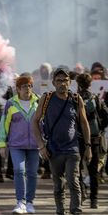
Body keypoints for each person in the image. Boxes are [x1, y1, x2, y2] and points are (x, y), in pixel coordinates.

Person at [32, 68, 92, 215]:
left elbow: (84, 123)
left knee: (73, 182)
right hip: (53, 150)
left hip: (73, 149)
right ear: (53, 82)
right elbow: (35, 122)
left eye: (65, 80)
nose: (62, 84)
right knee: (58, 185)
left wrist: (88, 146)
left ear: (70, 82)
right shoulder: (46, 99)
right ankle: (60, 211)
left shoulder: (76, 99)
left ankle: (75, 211)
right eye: (59, 81)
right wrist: (41, 146)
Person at [0, 75, 39, 214]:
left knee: (32, 173)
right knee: (19, 171)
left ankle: (30, 203)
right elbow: (4, 124)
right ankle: (20, 202)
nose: (28, 89)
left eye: (30, 86)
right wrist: (2, 143)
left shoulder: (39, 101)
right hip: (16, 145)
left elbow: (44, 123)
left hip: (35, 145)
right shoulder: (11, 103)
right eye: (24, 86)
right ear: (18, 89)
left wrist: (46, 141)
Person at [76, 73, 108, 209]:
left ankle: (81, 192)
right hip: (94, 139)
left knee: (77, 169)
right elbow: (106, 116)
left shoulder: (75, 98)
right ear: (90, 84)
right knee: (93, 171)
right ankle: (94, 200)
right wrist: (99, 128)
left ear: (78, 84)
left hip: (77, 138)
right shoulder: (96, 98)